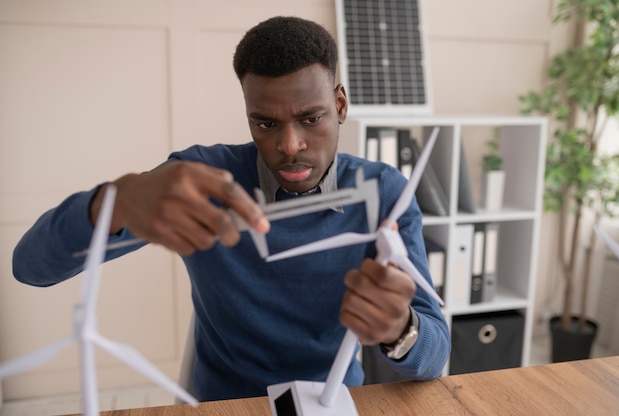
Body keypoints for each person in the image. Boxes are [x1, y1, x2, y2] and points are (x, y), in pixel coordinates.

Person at [12, 16, 450, 402]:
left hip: (329, 399)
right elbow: (29, 267)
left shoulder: (385, 192)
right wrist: (115, 202)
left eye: (311, 119)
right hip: (220, 402)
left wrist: (401, 330)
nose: (289, 145)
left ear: (340, 105)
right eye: (265, 123)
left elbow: (436, 353)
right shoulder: (201, 178)